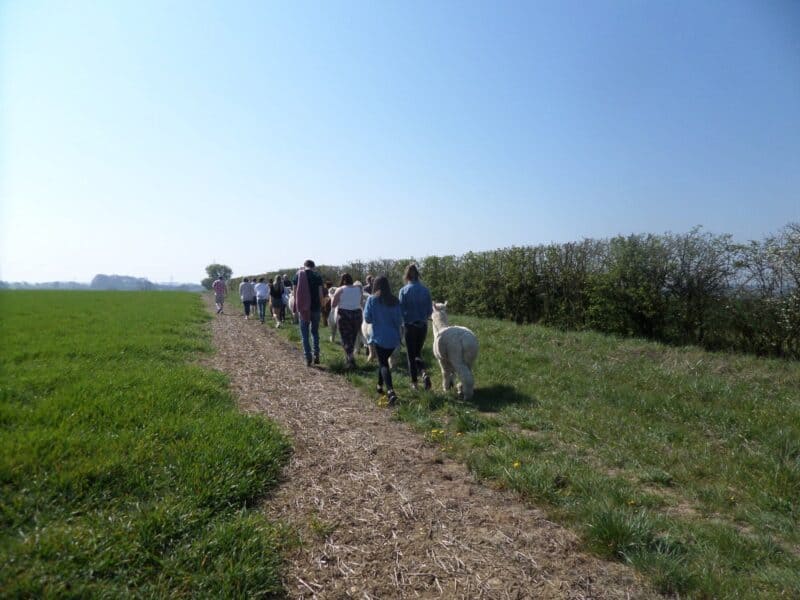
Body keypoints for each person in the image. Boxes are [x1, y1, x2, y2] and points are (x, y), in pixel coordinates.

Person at [363, 275, 403, 406]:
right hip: (394, 338)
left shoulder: (372, 300)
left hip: (379, 337)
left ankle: (391, 391)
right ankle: (379, 386)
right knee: (383, 362)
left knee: (383, 364)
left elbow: (367, 319)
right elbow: (399, 321)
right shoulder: (395, 301)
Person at [399, 263, 433, 390]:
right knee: (418, 353)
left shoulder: (403, 291)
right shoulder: (425, 290)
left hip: (410, 326)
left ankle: (414, 382)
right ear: (418, 275)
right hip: (423, 326)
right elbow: (430, 311)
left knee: (410, 355)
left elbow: (400, 310)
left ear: (407, 276)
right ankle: (424, 373)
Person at [293, 260, 324, 366]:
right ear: (313, 267)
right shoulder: (317, 276)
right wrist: (322, 305)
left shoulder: (298, 275)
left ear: (304, 266)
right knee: (315, 332)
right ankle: (316, 354)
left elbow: (295, 293)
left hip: (303, 308)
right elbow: (320, 293)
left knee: (304, 334)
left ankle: (308, 357)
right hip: (315, 307)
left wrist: (296, 307)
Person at [330, 273, 364, 368]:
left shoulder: (340, 290)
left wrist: (333, 297)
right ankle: (349, 358)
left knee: (345, 338)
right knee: (353, 337)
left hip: (344, 315)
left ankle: (350, 359)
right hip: (357, 314)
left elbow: (333, 305)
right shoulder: (359, 289)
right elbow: (361, 303)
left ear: (343, 280)